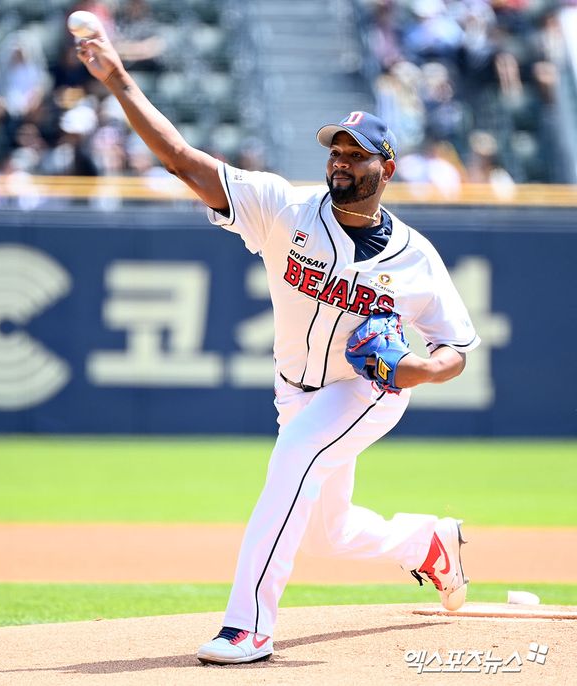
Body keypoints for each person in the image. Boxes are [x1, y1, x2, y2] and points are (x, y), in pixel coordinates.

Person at [75, 26, 480, 666]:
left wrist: (423, 370)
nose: (341, 160)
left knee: (293, 459)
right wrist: (119, 80)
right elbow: (180, 158)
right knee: (330, 532)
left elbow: (455, 347)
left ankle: (248, 627)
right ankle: (428, 544)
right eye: (335, 149)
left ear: (387, 168)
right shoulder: (282, 208)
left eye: (357, 153)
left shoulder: (416, 258)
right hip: (294, 390)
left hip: (367, 390)